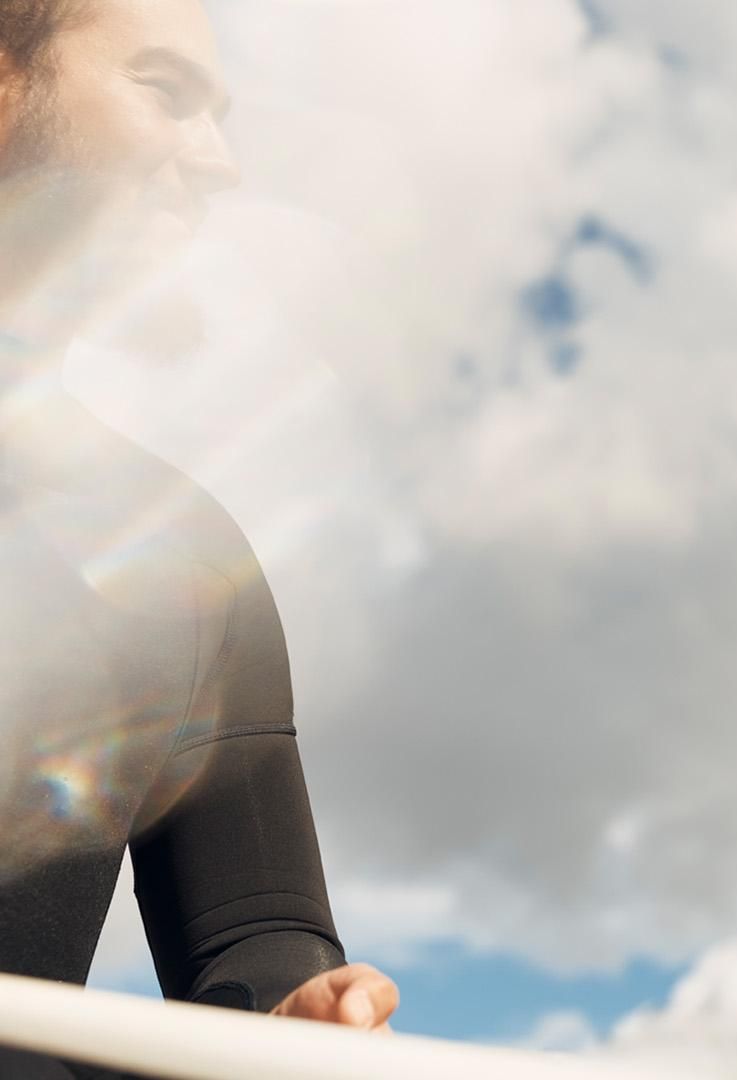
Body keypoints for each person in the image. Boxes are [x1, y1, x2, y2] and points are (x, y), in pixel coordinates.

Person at [0, 1, 396, 1072]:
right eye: (164, 93)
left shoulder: (182, 567)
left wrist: (293, 1028)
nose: (218, 166)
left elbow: (256, 944)